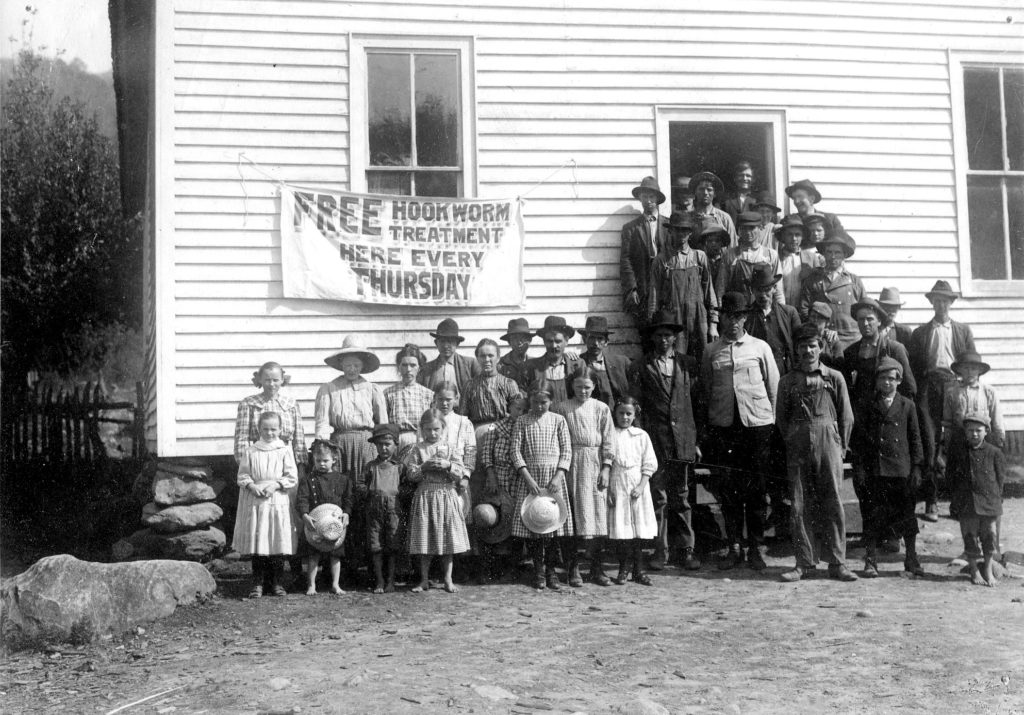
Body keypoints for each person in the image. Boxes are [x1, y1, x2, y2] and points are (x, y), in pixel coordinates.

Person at [702, 292, 779, 571]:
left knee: (757, 490)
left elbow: (774, 388)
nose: (732, 322)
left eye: (738, 317)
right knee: (729, 490)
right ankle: (735, 546)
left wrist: (772, 423)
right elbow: (708, 390)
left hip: (757, 426)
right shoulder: (711, 351)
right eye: (727, 317)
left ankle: (756, 548)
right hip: (724, 428)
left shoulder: (760, 348)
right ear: (720, 318)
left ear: (745, 318)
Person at [776, 325, 856, 582]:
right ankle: (803, 563)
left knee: (832, 500)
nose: (808, 350)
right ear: (797, 350)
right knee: (799, 503)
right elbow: (781, 418)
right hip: (798, 443)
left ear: (820, 348)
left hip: (828, 441)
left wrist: (840, 447)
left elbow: (846, 416)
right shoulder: (787, 381)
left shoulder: (834, 377)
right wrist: (793, 437)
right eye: (803, 346)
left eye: (813, 345)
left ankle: (838, 562)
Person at [629, 310, 702, 571]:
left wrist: (695, 441)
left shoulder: (687, 364)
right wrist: (641, 442)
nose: (663, 340)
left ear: (675, 338)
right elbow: (635, 406)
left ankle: (687, 550)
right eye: (659, 335)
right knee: (658, 497)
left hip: (682, 442)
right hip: (656, 442)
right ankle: (661, 551)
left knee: (681, 497)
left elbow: (696, 404)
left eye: (668, 336)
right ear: (653, 338)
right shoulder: (642, 366)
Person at [908, 280, 977, 522]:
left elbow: (971, 363)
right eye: (937, 300)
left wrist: (966, 389)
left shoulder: (962, 331)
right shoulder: (921, 333)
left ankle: (959, 503)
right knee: (930, 442)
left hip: (953, 386)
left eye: (945, 300)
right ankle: (931, 501)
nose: (941, 304)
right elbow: (914, 367)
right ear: (931, 303)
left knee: (957, 441)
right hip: (929, 387)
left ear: (951, 302)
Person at [850, 358, 925, 578]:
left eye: (891, 378)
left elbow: (915, 438)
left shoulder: (907, 405)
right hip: (876, 470)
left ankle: (911, 558)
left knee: (907, 516)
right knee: (872, 516)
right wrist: (860, 468)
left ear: (899, 381)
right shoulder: (866, 405)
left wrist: (917, 468)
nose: (886, 383)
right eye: (882, 378)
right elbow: (859, 441)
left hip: (901, 471)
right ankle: (871, 561)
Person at [510, 381, 574, 590]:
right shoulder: (522, 421)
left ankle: (551, 571)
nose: (539, 406)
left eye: (544, 402)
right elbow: (515, 452)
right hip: (532, 481)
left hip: (553, 480)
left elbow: (566, 451)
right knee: (534, 525)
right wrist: (527, 478)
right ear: (530, 401)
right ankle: (538, 570)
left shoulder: (559, 420)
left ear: (551, 401)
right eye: (536, 402)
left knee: (553, 525)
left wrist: (558, 476)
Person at [553, 372, 614, 587]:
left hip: (595, 464)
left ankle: (597, 568)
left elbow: (609, 441)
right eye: (579, 387)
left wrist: (606, 468)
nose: (583, 391)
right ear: (572, 387)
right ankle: (573, 568)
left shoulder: (601, 408)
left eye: (587, 387)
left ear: (594, 386)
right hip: (570, 464)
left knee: (597, 515)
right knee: (572, 519)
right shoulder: (562, 408)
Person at [233, 412, 299, 598]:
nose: (269, 433)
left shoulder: (284, 450)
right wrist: (252, 486)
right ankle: (258, 584)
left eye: (273, 429)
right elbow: (243, 475)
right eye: (265, 429)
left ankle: (277, 583)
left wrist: (277, 485)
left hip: (277, 499)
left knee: (277, 540)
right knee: (259, 541)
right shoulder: (251, 451)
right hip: (257, 501)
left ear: (280, 429)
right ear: (259, 429)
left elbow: (291, 476)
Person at [405, 408, 470, 593]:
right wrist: (424, 467)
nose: (432, 433)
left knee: (447, 539)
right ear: (422, 429)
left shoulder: (450, 448)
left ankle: (448, 579)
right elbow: (411, 474)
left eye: (436, 429)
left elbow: (460, 472)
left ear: (443, 428)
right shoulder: (417, 449)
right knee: (424, 539)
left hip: (445, 495)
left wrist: (448, 465)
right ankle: (424, 580)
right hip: (425, 496)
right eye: (428, 430)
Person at [650, 211, 719, 362]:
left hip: (698, 319)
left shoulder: (699, 257)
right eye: (677, 229)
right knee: (676, 362)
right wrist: (655, 327)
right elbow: (654, 297)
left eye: (685, 230)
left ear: (690, 233)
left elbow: (709, 293)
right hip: (673, 320)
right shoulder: (661, 260)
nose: (681, 233)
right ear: (670, 231)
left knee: (702, 360)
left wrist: (713, 323)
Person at [314, 336, 387, 476]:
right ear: (341, 365)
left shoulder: (372, 389)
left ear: (362, 366)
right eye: (348, 365)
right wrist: (322, 448)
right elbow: (322, 423)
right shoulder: (329, 389)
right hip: (339, 444)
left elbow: (382, 424)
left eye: (356, 365)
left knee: (365, 483)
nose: (352, 369)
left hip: (366, 443)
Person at [947, 414, 1005, 587]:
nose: (974, 434)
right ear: (965, 432)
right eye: (970, 430)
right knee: (970, 537)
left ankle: (987, 568)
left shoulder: (994, 453)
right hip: (967, 503)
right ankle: (973, 569)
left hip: (989, 502)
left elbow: (1000, 479)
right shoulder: (958, 452)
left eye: (978, 431)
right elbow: (950, 477)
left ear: (986, 431)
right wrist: (957, 498)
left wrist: (995, 499)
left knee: (989, 537)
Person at [607, 396, 659, 586]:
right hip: (617, 485)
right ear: (615, 413)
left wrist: (641, 485)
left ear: (635, 414)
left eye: (629, 414)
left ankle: (638, 570)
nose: (625, 417)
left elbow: (650, 463)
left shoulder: (641, 435)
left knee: (638, 530)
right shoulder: (610, 434)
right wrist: (608, 491)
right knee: (622, 532)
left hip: (637, 487)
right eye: (621, 413)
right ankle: (623, 568)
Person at [477, 395, 529, 582]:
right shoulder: (496, 427)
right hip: (498, 479)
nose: (520, 412)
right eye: (517, 408)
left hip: (519, 480)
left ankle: (511, 568)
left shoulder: (527, 426)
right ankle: (487, 568)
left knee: (515, 523)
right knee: (492, 519)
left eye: (523, 409)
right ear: (509, 408)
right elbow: (486, 455)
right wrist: (491, 476)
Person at [298, 439, 353, 595]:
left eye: (326, 460)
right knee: (313, 555)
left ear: (334, 460)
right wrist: (305, 515)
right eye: (318, 460)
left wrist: (346, 513)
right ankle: (311, 585)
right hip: (315, 524)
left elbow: (348, 499)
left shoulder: (342, 479)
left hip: (335, 524)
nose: (322, 464)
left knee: (335, 555)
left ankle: (335, 584)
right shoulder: (308, 480)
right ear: (313, 459)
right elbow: (302, 499)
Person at [842, 298, 917, 412]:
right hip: (861, 415)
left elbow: (909, 389)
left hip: (887, 415)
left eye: (870, 319)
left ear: (879, 321)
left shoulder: (894, 349)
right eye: (861, 319)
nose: (865, 323)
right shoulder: (851, 352)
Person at [798, 228, 865, 351]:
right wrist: (820, 329)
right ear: (823, 253)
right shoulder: (813, 280)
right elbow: (804, 310)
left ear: (844, 255)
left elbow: (864, 310)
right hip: (823, 341)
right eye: (829, 252)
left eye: (837, 252)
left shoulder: (854, 281)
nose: (833, 256)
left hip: (851, 341)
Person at [360, 424, 408, 594]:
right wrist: (368, 491)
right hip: (374, 511)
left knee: (393, 545)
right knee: (376, 546)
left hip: (394, 510)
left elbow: (407, 486)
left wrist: (400, 493)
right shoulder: (371, 466)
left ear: (395, 444)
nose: (384, 448)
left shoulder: (400, 466)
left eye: (388, 444)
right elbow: (360, 484)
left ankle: (390, 581)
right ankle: (379, 580)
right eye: (380, 444)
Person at [234, 361, 307, 468]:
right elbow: (241, 439)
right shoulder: (249, 404)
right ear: (260, 380)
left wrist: (300, 464)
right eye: (267, 380)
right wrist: (245, 465)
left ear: (282, 380)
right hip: (258, 459)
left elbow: (299, 439)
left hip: (285, 460)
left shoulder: (291, 405)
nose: (272, 384)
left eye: (275, 380)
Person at [620, 176, 670, 326]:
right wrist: (631, 289)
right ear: (640, 199)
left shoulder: (668, 225)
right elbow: (626, 259)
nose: (648, 200)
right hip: (642, 281)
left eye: (651, 196)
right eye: (644, 197)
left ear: (658, 199)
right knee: (645, 328)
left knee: (664, 325)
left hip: (664, 280)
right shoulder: (631, 228)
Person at [718, 211, 785, 307]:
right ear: (738, 230)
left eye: (752, 228)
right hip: (738, 312)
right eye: (743, 228)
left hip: (764, 310)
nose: (748, 232)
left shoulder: (771, 255)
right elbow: (721, 288)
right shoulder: (730, 255)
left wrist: (780, 314)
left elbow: (778, 289)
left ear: (760, 228)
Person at [744, 265, 802, 377]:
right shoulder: (746, 316)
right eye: (758, 290)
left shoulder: (789, 313)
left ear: (774, 288)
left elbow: (799, 344)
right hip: (756, 370)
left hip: (783, 369)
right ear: (752, 290)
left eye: (767, 290)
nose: (763, 295)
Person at [383, 344, 435, 452]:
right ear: (399, 367)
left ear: (419, 368)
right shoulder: (389, 393)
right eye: (404, 365)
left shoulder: (428, 394)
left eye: (412, 365)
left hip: (420, 440)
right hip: (396, 441)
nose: (408, 369)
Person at [523, 316, 585, 403]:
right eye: (549, 341)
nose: (553, 346)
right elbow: (524, 395)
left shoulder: (577, 365)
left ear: (566, 341)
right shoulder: (531, 366)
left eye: (558, 341)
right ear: (544, 341)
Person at [417, 319, 481, 402]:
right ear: (436, 343)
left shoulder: (470, 365)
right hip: (436, 413)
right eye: (442, 341)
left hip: (462, 414)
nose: (446, 345)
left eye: (450, 341)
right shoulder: (426, 369)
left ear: (457, 343)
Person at [578, 315, 632, 408]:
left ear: (606, 342)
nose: (595, 343)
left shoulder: (621, 362)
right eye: (591, 338)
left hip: (618, 417)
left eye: (600, 338)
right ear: (584, 339)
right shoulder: (578, 363)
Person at [775, 215, 820, 307]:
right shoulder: (776, 257)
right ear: (783, 236)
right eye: (789, 234)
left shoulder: (812, 258)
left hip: (803, 310)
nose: (794, 239)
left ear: (802, 237)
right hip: (781, 309)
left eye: (797, 235)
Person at [688, 171, 738, 246]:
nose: (705, 192)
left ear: (715, 194)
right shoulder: (688, 217)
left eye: (709, 189)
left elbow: (732, 246)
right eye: (701, 189)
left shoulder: (724, 218)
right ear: (695, 192)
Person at [498, 318, 535, 391]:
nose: (519, 342)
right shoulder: (500, 365)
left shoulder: (536, 365)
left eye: (523, 338)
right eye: (515, 338)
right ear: (509, 342)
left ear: (529, 340)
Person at [806, 301, 844, 369]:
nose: (815, 320)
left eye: (820, 318)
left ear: (827, 322)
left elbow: (839, 367)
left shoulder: (832, 341)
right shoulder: (802, 337)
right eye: (813, 316)